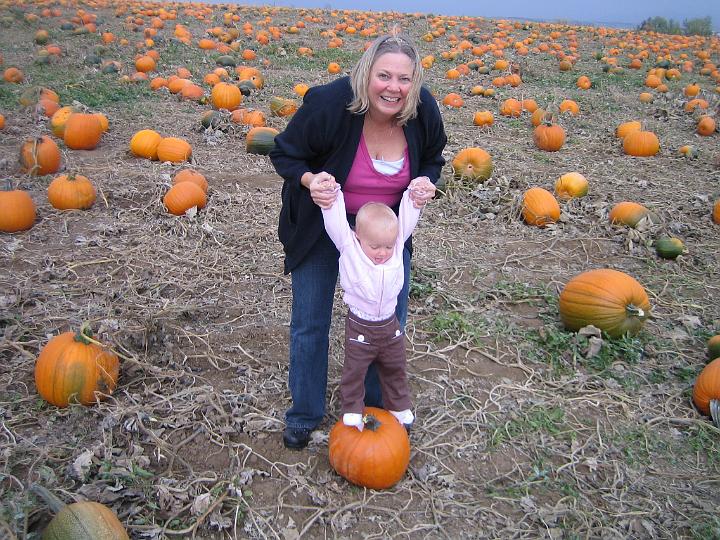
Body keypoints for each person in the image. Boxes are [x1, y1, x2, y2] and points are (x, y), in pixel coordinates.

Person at [270, 30, 447, 449]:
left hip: (385, 234)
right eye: (384, 76)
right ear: (367, 73)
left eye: (404, 79)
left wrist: (425, 183)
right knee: (311, 321)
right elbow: (284, 153)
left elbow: (434, 158)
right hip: (323, 224)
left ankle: (373, 410)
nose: (394, 88)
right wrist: (311, 180)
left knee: (386, 322)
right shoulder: (330, 104)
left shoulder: (422, 111)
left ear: (415, 81)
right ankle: (305, 413)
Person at [319, 179, 432, 432]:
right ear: (359, 236)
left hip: (389, 325)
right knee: (355, 371)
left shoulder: (396, 244)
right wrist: (333, 198)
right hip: (360, 327)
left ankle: (399, 406)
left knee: (395, 367)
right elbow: (336, 223)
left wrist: (414, 199)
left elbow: (406, 220)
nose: (383, 252)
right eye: (375, 246)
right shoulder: (349, 247)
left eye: (388, 246)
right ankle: (352, 409)